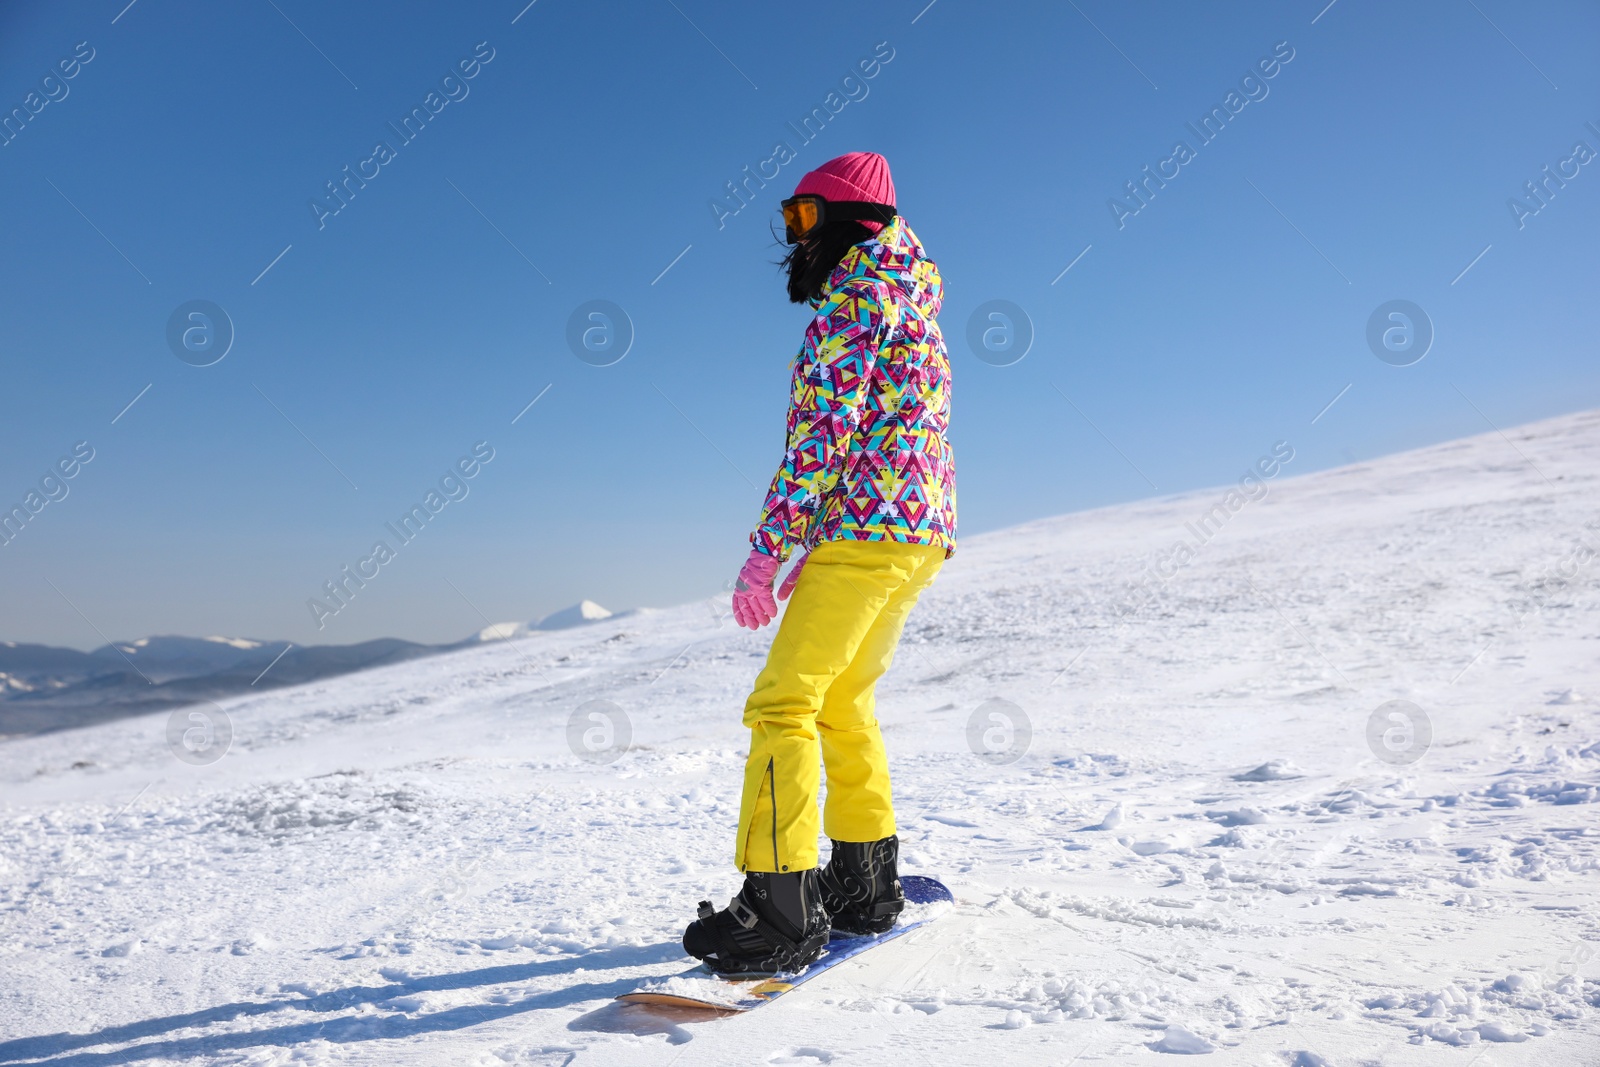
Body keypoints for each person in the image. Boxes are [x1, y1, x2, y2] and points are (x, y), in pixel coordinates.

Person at [681, 152, 957, 975]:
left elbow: (823, 439)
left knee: (782, 704)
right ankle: (862, 882)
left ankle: (777, 909)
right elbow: (891, 432)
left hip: (867, 531)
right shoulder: (911, 296)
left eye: (805, 218)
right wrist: (828, 537)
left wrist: (771, 548)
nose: (795, 238)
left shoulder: (855, 301)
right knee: (842, 698)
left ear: (843, 222)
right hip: (913, 533)